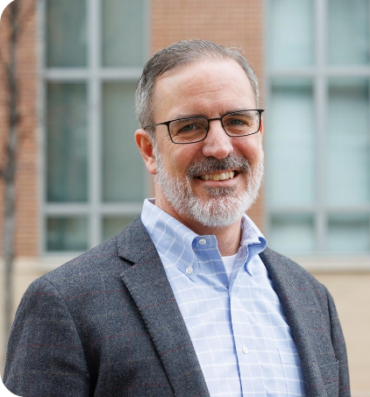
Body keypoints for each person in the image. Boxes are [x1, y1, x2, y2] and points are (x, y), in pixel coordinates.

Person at [3, 40, 350, 397]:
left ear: (259, 135)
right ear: (149, 150)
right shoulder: (65, 303)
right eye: (190, 127)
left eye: (237, 121)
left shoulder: (312, 300)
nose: (220, 147)